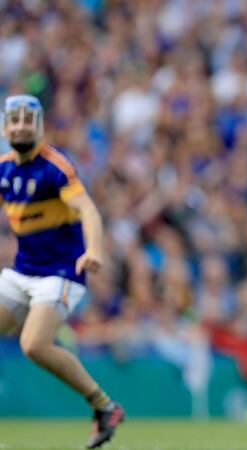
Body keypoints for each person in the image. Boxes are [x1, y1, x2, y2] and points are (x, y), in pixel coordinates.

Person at [0, 95, 124, 449]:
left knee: (33, 345)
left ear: (39, 127)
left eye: (28, 120)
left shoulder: (55, 167)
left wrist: (95, 248)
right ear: (6, 128)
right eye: (15, 120)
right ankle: (106, 408)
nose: (21, 126)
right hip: (21, 272)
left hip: (60, 273)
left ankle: (105, 407)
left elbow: (88, 210)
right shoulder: (4, 169)